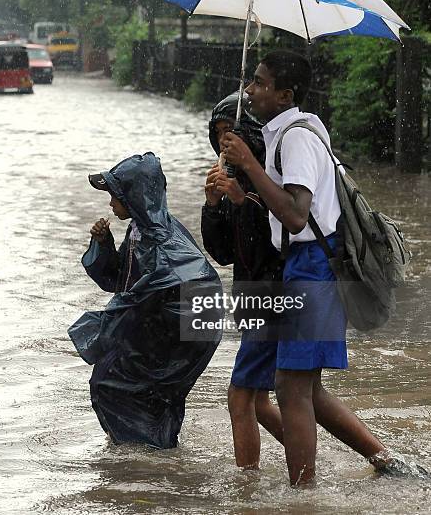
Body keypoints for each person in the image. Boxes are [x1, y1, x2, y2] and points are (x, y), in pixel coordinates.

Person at [222, 50, 405, 485]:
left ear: (286, 94)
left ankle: (303, 494)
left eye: (261, 83)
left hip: (315, 268)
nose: (250, 90)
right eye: (253, 81)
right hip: (305, 266)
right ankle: (388, 463)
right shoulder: (292, 132)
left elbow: (297, 215)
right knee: (306, 389)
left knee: (291, 386)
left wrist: (249, 162)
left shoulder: (297, 139)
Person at [68, 152, 222, 449]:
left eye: (115, 196)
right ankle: (150, 461)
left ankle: (143, 459)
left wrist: (111, 323)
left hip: (177, 334)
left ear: (135, 197)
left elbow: (191, 283)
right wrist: (103, 246)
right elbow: (121, 281)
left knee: (115, 384)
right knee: (132, 391)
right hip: (160, 329)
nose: (111, 204)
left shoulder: (162, 240)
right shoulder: (140, 230)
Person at [201, 93, 284, 469]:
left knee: (240, 396)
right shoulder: (236, 180)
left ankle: (246, 492)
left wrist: (242, 200)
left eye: (230, 132)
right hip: (250, 298)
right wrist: (213, 205)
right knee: (261, 401)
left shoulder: (273, 179)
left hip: (273, 297)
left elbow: (273, 244)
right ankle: (311, 454)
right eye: (218, 133)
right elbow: (225, 254)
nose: (223, 141)